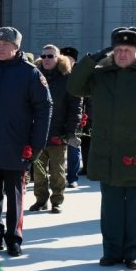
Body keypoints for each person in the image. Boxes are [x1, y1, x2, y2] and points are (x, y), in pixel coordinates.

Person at [67, 27, 136, 270]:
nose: (122, 54)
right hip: (108, 152)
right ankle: (112, 251)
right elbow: (74, 86)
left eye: (128, 50)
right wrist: (92, 58)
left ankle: (134, 253)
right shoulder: (100, 75)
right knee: (111, 208)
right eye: (118, 50)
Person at [0, 27, 52, 257]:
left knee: (14, 196)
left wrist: (36, 144)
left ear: (16, 47)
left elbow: (44, 108)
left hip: (16, 145)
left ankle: (13, 239)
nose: (0, 47)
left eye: (5, 44)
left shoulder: (29, 73)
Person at [29, 45, 81, 214]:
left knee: (57, 171)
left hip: (58, 133)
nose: (46, 59)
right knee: (38, 171)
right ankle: (40, 200)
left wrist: (70, 131)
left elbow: (75, 107)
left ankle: (57, 200)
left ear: (58, 58)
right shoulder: (35, 76)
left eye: (50, 56)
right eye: (43, 56)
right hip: (37, 132)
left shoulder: (68, 78)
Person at [60, 46, 82, 187]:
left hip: (76, 116)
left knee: (74, 148)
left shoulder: (80, 74)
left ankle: (72, 177)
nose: (67, 61)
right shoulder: (57, 73)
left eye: (70, 59)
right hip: (59, 116)